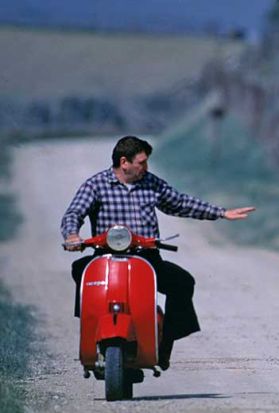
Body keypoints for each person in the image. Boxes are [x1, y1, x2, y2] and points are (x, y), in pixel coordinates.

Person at [61, 135, 255, 370]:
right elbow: (74, 213)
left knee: (182, 282)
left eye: (146, 162)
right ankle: (91, 335)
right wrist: (72, 236)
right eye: (141, 162)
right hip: (106, 257)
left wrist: (221, 213)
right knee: (80, 271)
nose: (145, 167)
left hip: (146, 258)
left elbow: (181, 203)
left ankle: (164, 346)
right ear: (124, 162)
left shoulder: (151, 183)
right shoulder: (96, 185)